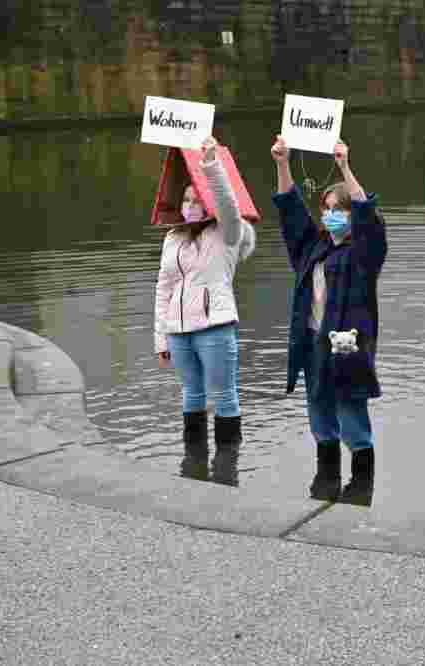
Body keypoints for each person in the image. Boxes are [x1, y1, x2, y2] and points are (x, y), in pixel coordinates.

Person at [270, 134, 387, 506]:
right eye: (326, 208)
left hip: (348, 349)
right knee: (320, 416)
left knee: (352, 418)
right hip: (313, 345)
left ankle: (361, 487)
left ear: (351, 215)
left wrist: (344, 168)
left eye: (339, 209)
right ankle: (325, 481)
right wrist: (283, 164)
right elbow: (290, 211)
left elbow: (370, 217)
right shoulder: (313, 249)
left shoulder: (363, 256)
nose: (330, 214)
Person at [154, 136, 257, 486]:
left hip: (215, 327)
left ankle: (227, 468)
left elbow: (228, 204)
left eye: (197, 199)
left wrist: (211, 166)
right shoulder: (173, 238)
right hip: (178, 332)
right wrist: (161, 337)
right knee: (191, 394)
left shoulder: (229, 232)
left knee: (224, 394)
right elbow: (164, 288)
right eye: (186, 199)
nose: (190, 205)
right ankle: (193, 466)